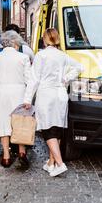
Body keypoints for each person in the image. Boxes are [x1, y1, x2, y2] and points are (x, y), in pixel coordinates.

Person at [24, 28, 84, 177]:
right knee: (56, 128)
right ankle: (51, 164)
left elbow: (34, 79)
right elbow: (79, 67)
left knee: (47, 129)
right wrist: (66, 79)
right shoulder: (63, 56)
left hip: (46, 94)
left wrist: (27, 99)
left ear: (45, 39)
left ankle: (60, 163)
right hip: (60, 94)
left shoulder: (41, 55)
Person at [0, 30, 32, 168]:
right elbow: (29, 79)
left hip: (0, 92)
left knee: (3, 123)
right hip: (18, 92)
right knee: (19, 122)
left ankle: (6, 156)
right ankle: (22, 152)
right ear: (15, 42)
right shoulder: (23, 58)